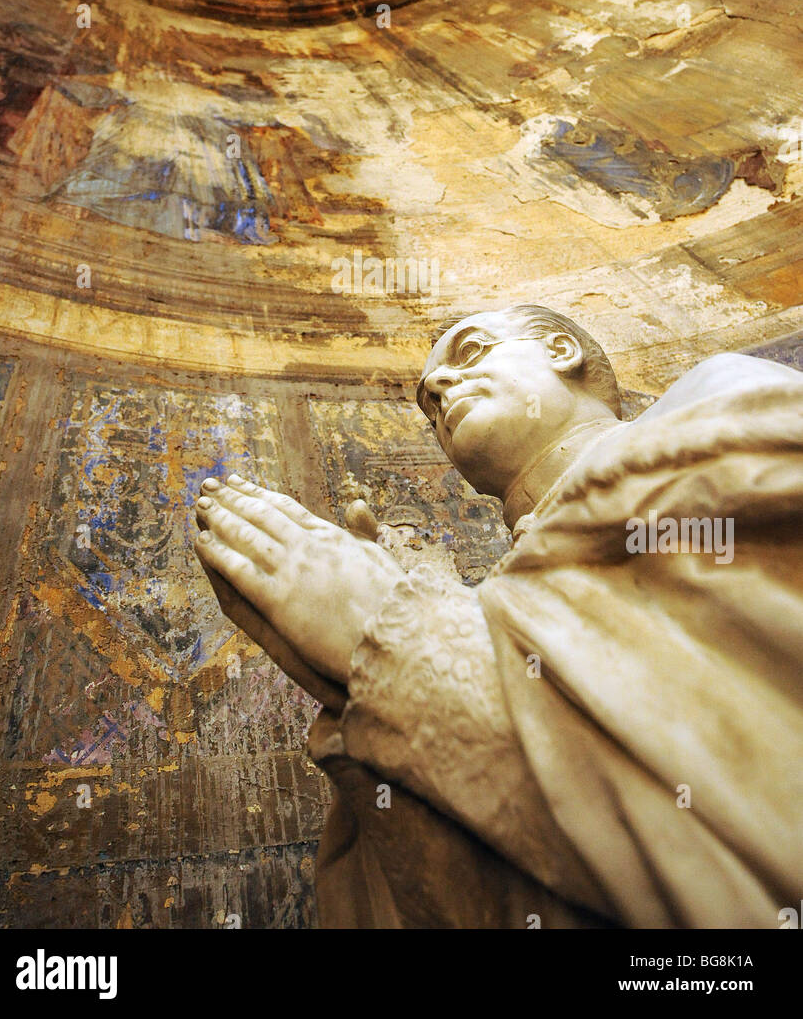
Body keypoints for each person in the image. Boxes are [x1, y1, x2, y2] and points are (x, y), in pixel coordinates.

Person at [194, 305, 803, 928]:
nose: (437, 391)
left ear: (561, 349)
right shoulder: (492, 610)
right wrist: (358, 686)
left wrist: (399, 636)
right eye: (428, 405)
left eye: (469, 352)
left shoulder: (723, 401)